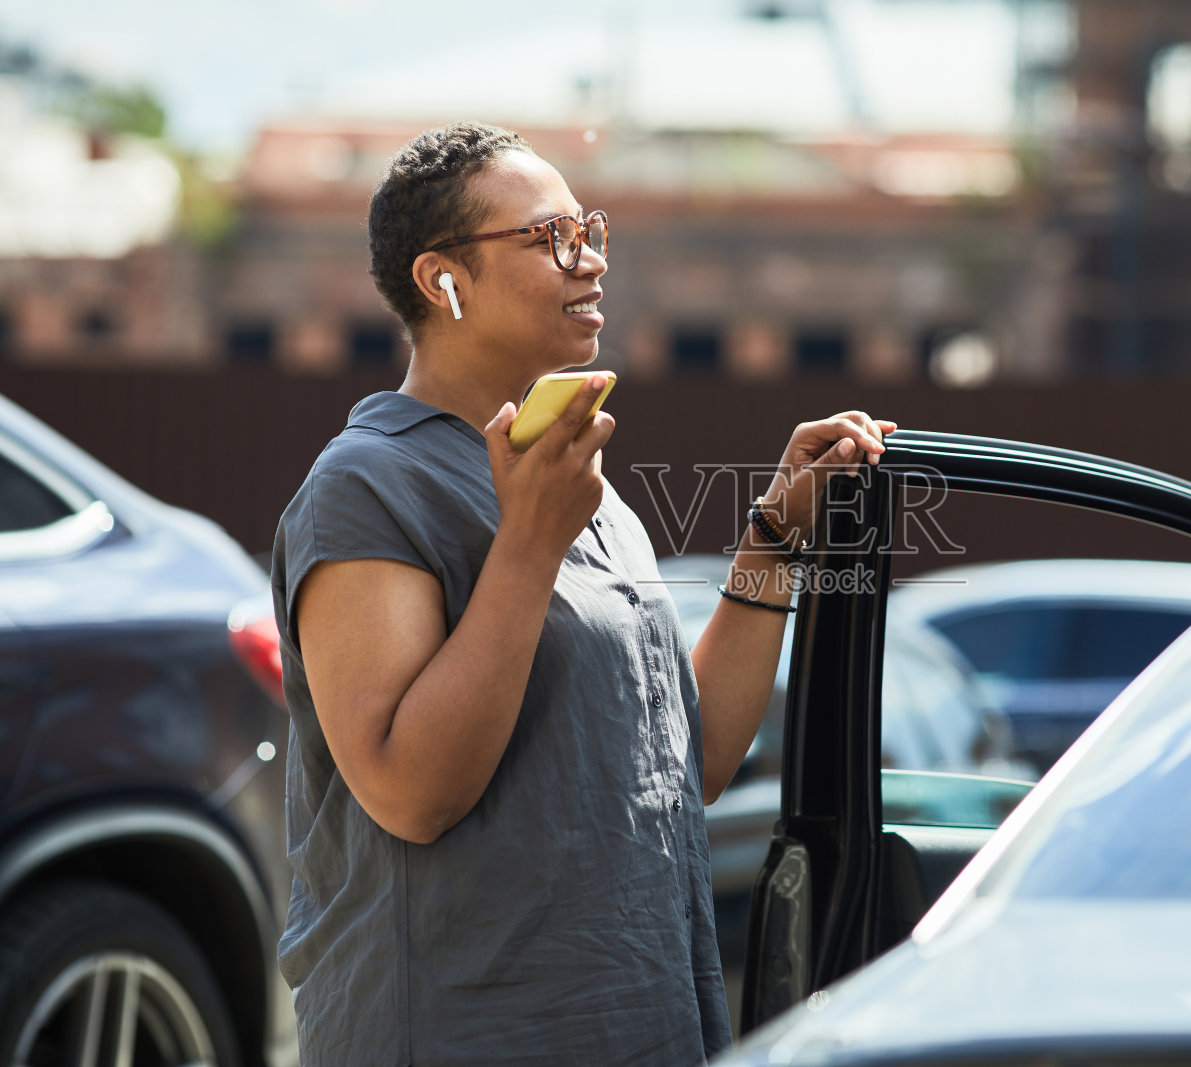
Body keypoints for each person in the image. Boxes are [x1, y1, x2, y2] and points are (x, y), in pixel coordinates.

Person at [269, 121, 896, 1066]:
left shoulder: (579, 487)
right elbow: (411, 791)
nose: (590, 260)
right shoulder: (367, 486)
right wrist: (527, 545)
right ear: (445, 281)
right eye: (550, 237)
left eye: (591, 230)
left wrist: (775, 531)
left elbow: (692, 761)